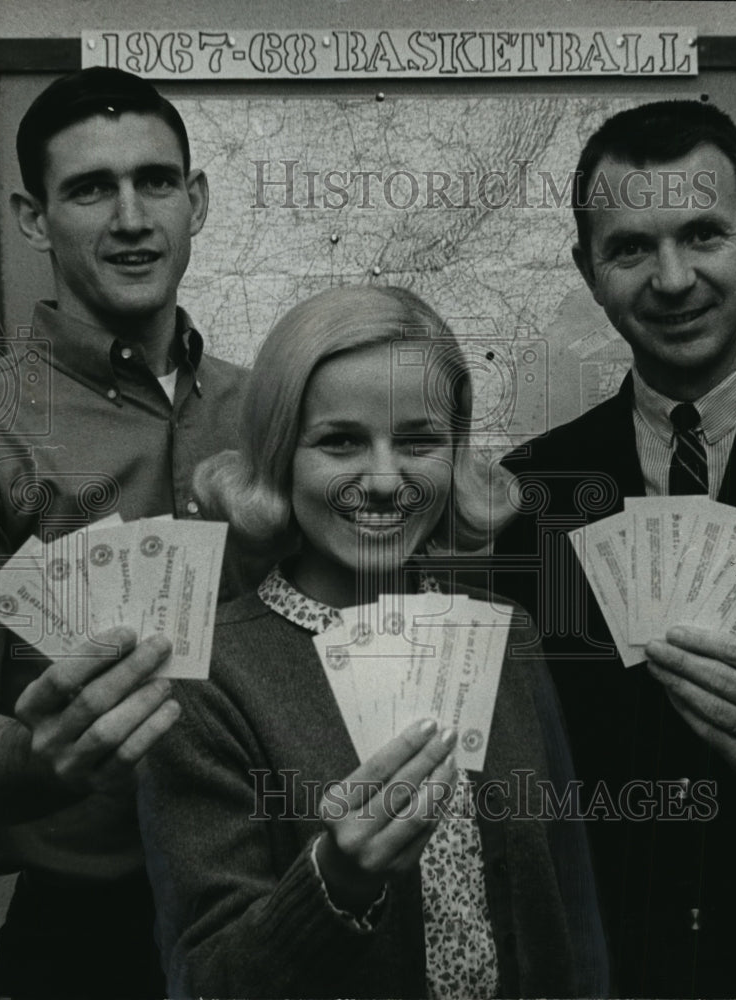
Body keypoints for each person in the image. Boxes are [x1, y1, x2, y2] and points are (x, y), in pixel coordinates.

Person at [137, 284, 609, 999]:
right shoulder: (206, 682)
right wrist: (336, 881)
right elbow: (206, 981)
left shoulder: (505, 637)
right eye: (340, 441)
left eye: (417, 440)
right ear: (279, 457)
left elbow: (571, 914)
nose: (386, 481)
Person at [496, 100, 736, 997]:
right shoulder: (529, 494)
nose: (674, 279)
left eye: (703, 234)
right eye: (632, 247)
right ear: (587, 269)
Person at [0, 67, 247, 999]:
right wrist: (33, 759)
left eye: (156, 181)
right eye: (90, 189)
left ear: (196, 199)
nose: (132, 218)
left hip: (274, 905)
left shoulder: (273, 412)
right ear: (33, 218)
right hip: (81, 935)